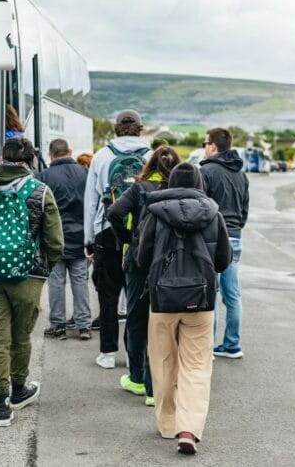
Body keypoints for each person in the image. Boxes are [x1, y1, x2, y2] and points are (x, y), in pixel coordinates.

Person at [0, 137, 64, 427]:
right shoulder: (40, 192)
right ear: (29, 160)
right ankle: (19, 389)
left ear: (1, 158)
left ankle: (1, 405)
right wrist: (43, 271)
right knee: (20, 337)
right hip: (27, 276)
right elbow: (55, 242)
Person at [136, 163, 231, 455]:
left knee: (163, 361)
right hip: (200, 301)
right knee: (197, 366)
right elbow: (224, 260)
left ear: (171, 183)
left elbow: (141, 257)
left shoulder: (156, 211)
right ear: (200, 182)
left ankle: (167, 424)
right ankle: (188, 429)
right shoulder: (213, 213)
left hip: (162, 300)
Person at [107, 145, 179, 407]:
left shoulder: (139, 188)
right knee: (163, 323)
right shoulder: (179, 191)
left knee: (137, 320)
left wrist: (128, 238)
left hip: (139, 260)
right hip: (171, 262)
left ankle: (137, 379)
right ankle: (157, 387)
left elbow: (114, 213)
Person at [83, 109, 150, 369]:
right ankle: (136, 354)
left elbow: (91, 200)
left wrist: (88, 238)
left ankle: (108, 353)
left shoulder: (101, 156)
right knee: (138, 295)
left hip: (106, 231)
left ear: (115, 129)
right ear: (140, 129)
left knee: (108, 294)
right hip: (141, 234)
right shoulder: (152, 155)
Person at [200, 128, 249, 359]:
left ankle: (207, 347)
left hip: (212, 238)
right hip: (235, 236)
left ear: (213, 146)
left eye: (204, 143)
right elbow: (245, 209)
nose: (204, 147)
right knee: (233, 294)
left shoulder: (206, 171)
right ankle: (232, 345)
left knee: (212, 292)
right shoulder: (241, 174)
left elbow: (199, 207)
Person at [36, 139, 92, 340]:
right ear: (70, 151)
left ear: (51, 155)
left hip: (54, 239)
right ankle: (84, 325)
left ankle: (58, 325)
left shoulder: (44, 176)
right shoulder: (84, 173)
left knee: (56, 284)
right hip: (81, 238)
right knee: (80, 282)